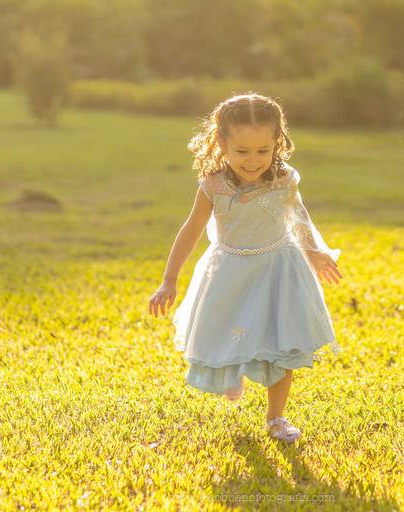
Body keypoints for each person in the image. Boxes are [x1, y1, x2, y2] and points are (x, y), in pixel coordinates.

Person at [147, 92, 343, 443]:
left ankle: (276, 417)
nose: (253, 162)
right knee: (229, 331)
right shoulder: (213, 185)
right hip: (230, 270)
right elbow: (191, 230)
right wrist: (168, 280)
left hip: (279, 268)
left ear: (276, 144)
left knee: (282, 343)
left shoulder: (284, 179)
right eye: (242, 152)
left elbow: (300, 218)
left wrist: (315, 252)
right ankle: (231, 373)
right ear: (221, 144)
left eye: (262, 151)